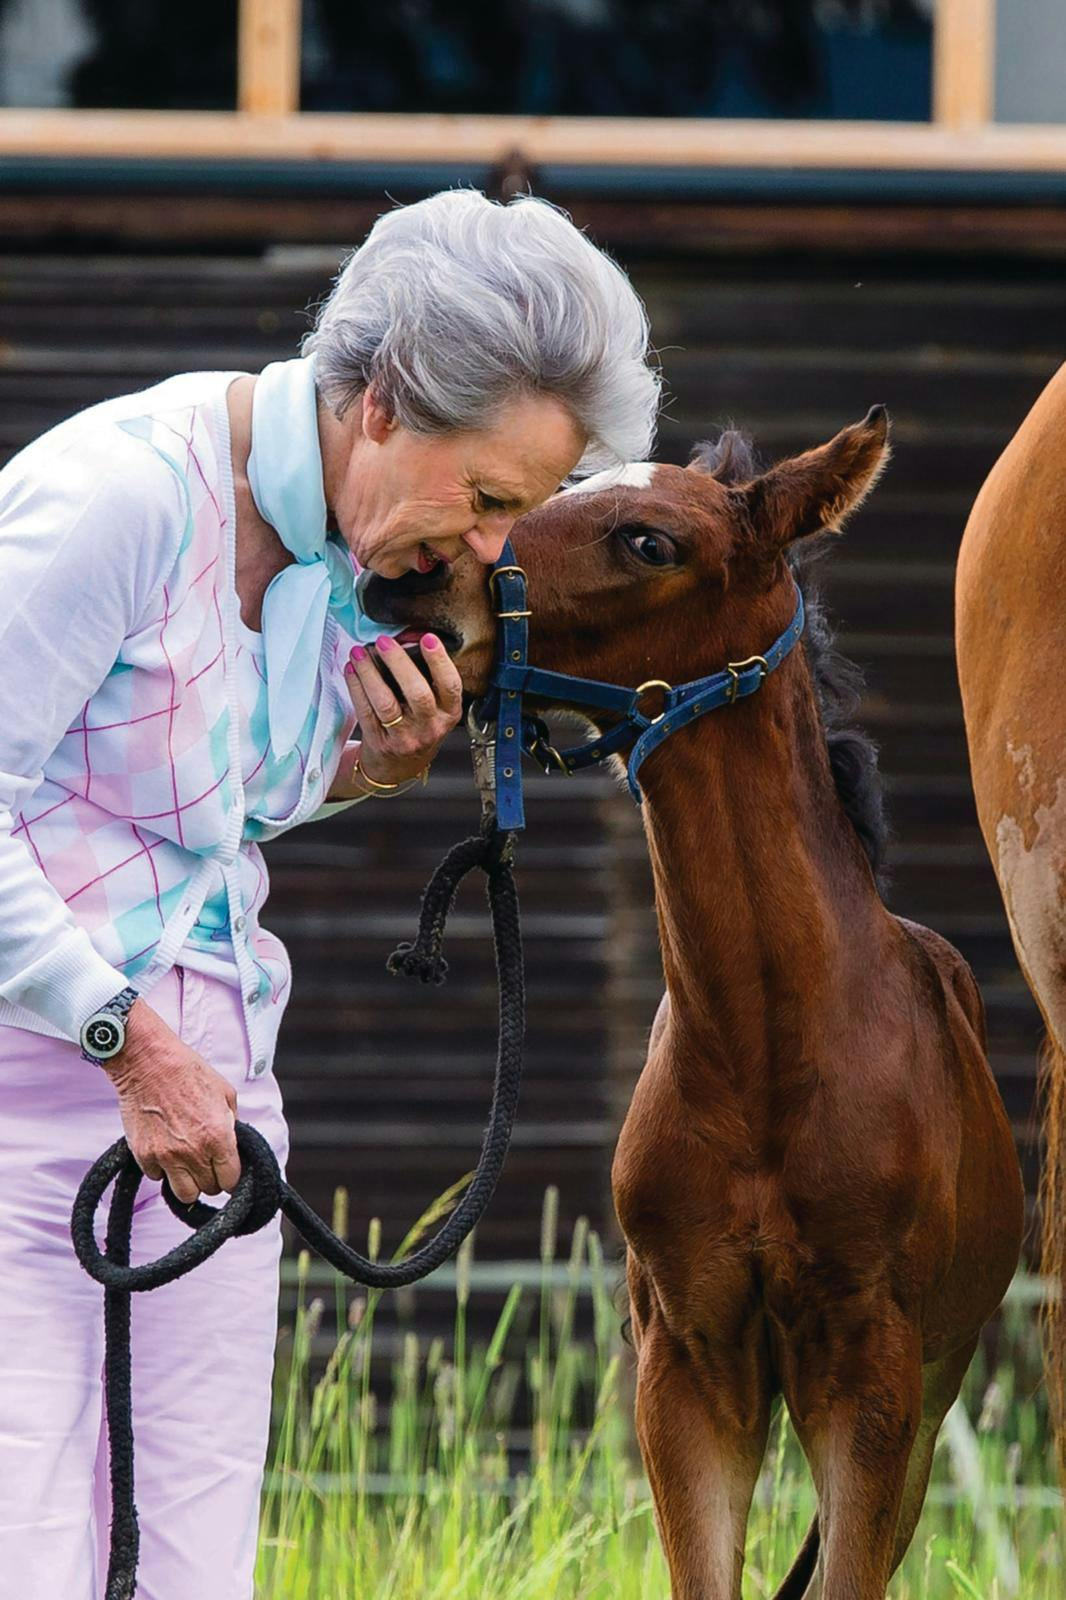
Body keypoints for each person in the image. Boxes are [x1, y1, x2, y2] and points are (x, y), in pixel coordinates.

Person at [0, 188, 660, 1598]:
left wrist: (371, 768)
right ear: (379, 406)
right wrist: (127, 1041)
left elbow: (208, 810)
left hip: (212, 1091)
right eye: (485, 500)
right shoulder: (116, 498)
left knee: (195, 1565)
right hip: (37, 1085)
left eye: (519, 516)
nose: (489, 551)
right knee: (28, 1549)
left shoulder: (351, 563)